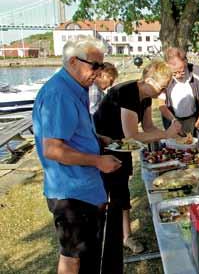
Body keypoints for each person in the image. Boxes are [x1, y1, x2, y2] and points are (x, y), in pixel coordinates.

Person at [32, 36, 122, 274]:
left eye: (101, 65)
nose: (99, 71)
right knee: (73, 258)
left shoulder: (76, 88)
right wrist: (97, 160)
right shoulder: (60, 93)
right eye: (95, 65)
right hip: (71, 192)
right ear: (73, 61)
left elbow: (70, 133)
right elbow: (52, 148)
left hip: (83, 190)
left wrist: (96, 140)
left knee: (88, 256)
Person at [93, 60, 182, 271]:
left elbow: (149, 127)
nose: (162, 92)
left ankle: (126, 237)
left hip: (120, 147)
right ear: (148, 81)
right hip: (103, 145)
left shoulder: (146, 97)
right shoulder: (127, 93)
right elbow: (132, 135)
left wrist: (167, 137)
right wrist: (167, 134)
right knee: (104, 195)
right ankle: (100, 240)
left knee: (121, 192)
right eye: (161, 87)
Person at [158, 47, 199, 134]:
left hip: (193, 119)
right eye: (174, 73)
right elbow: (161, 104)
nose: (178, 76)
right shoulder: (164, 75)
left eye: (182, 71)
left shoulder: (198, 72)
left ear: (186, 62)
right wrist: (173, 121)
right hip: (171, 119)